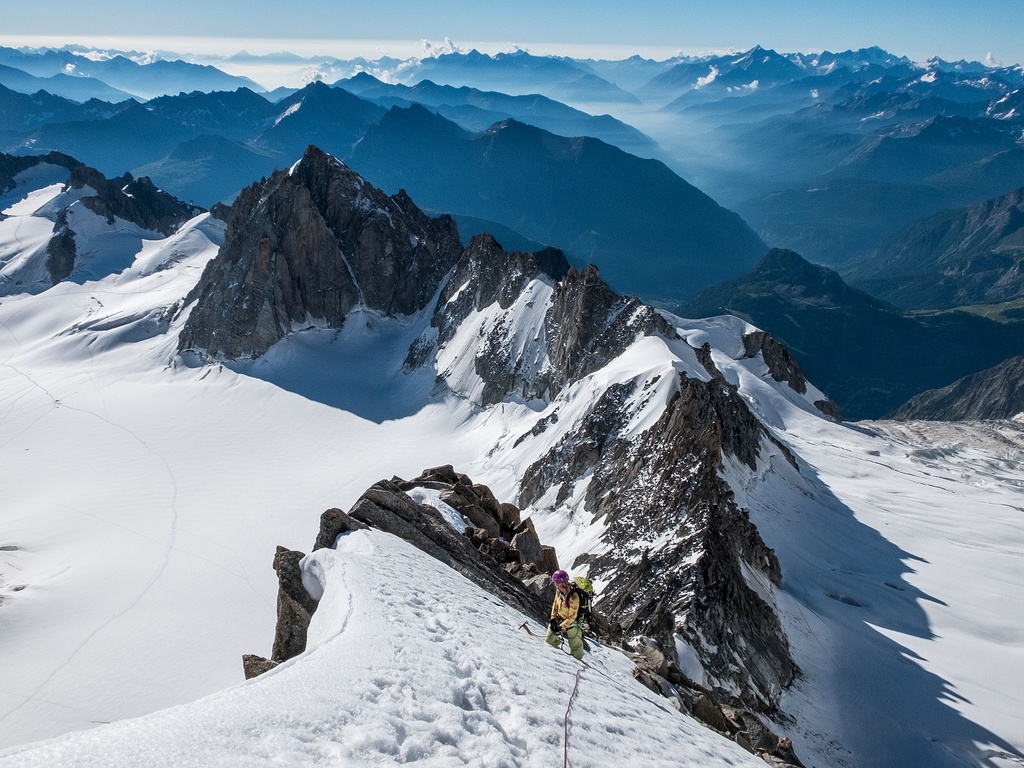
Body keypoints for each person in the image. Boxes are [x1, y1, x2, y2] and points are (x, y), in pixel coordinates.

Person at [546, 569, 584, 660]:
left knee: (576, 649)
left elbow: (572, 617)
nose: (554, 584)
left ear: (559, 583)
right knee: (549, 640)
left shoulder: (574, 597)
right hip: (560, 618)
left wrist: (560, 627)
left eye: (555, 582)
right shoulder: (558, 591)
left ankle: (578, 663)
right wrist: (553, 619)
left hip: (572, 624)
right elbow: (555, 604)